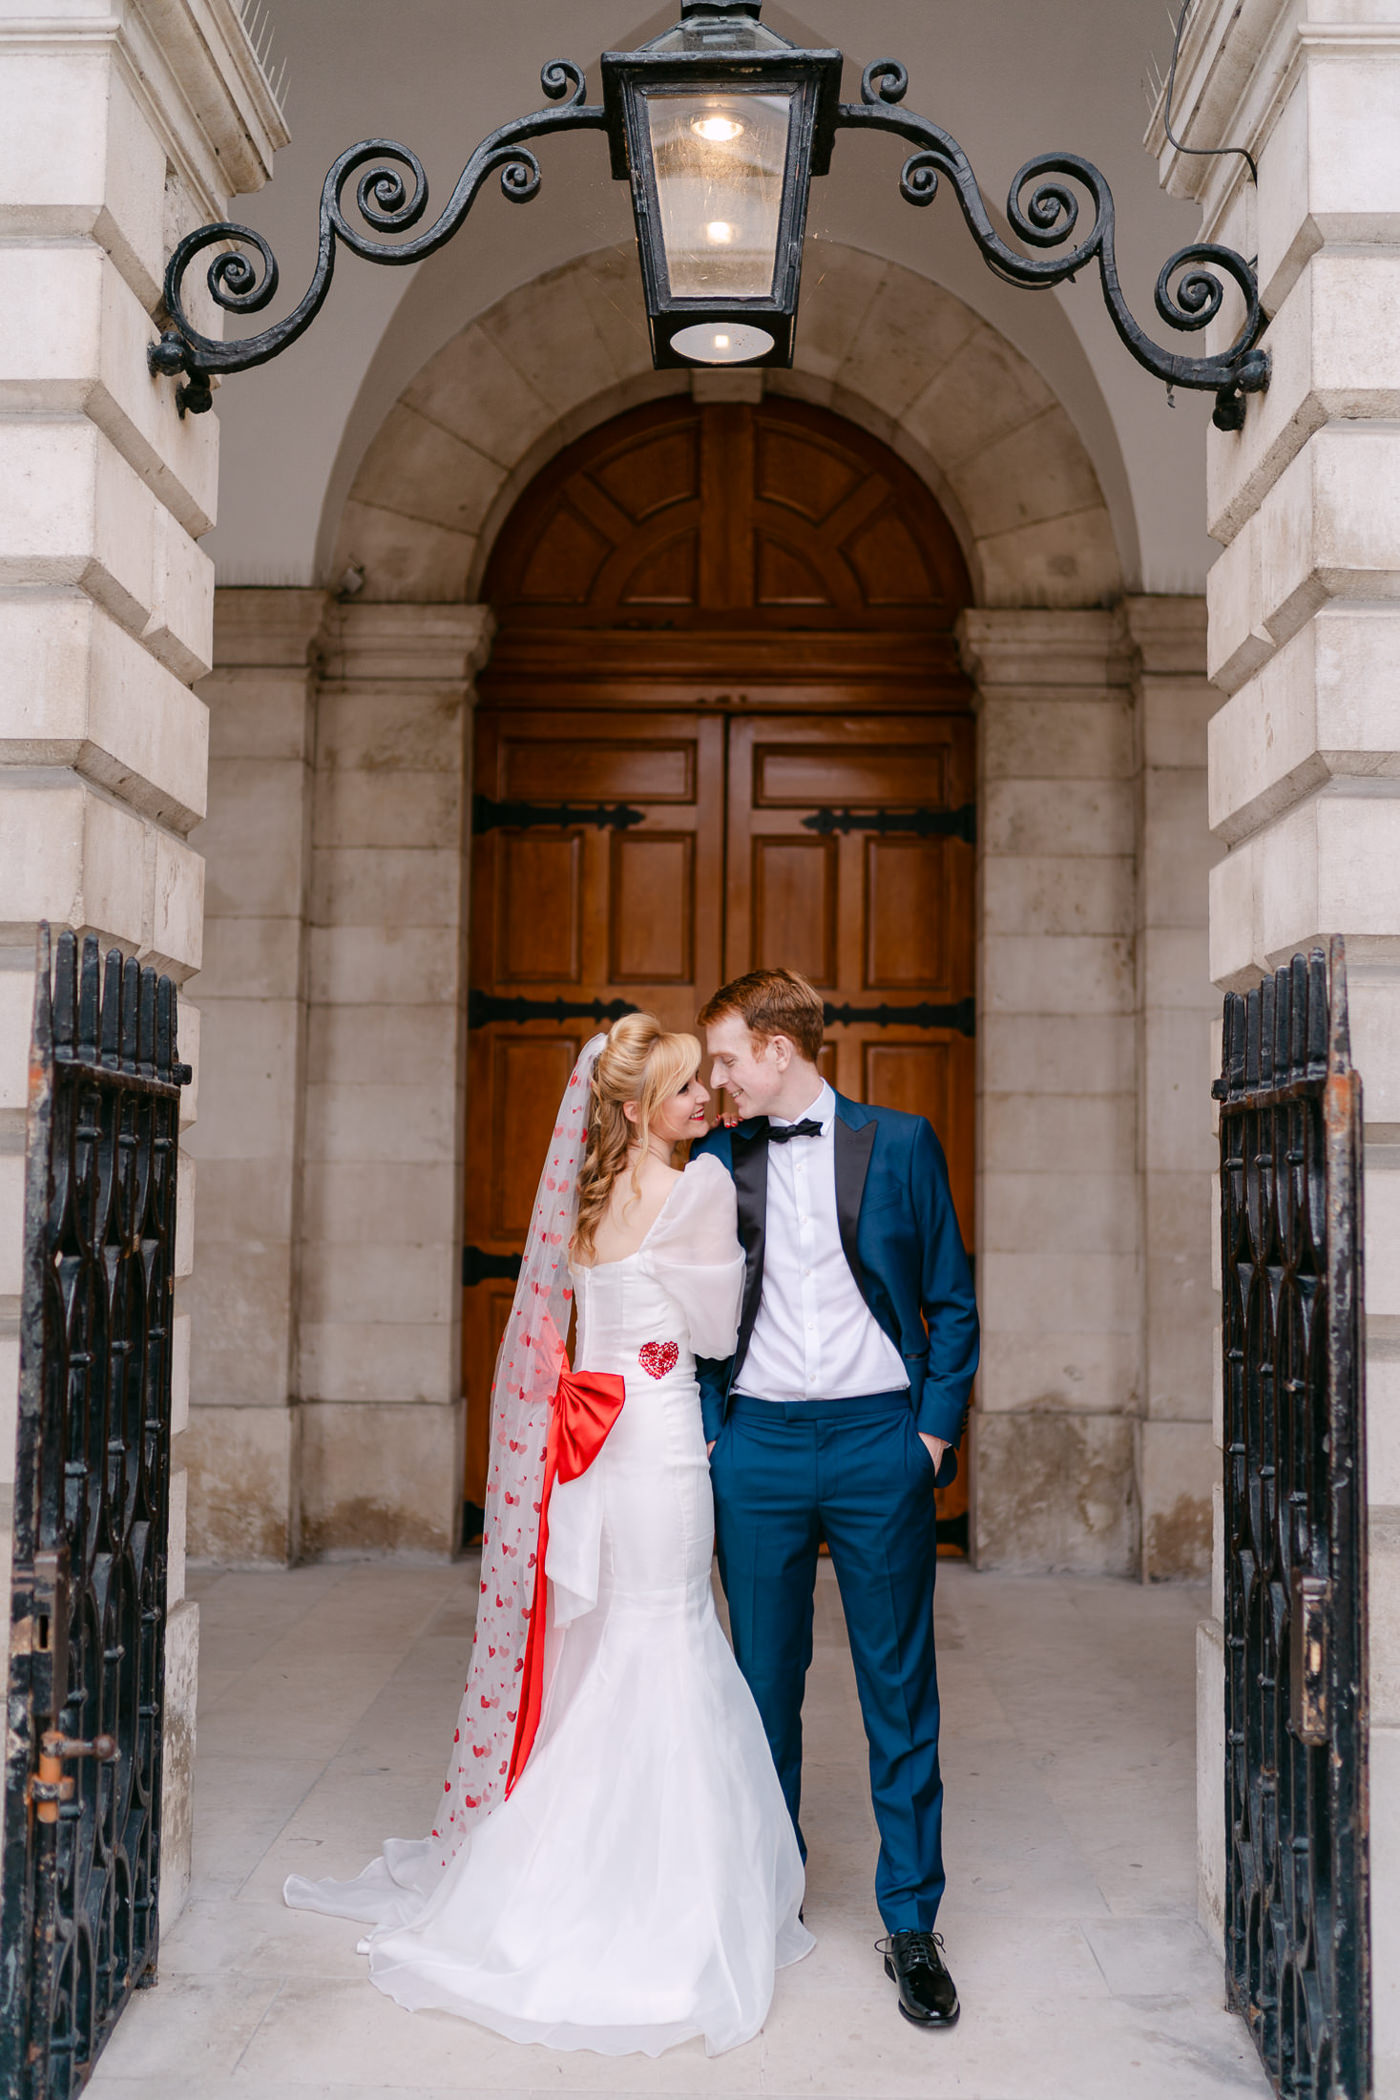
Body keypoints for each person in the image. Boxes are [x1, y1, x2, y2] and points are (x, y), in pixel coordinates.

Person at [283, 1016, 811, 2057]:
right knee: (666, 1636)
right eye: (680, 1090)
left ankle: (550, 1873)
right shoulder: (695, 1187)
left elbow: (571, 1324)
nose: (703, 1100)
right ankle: (653, 1898)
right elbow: (708, 1335)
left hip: (589, 1451)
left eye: (702, 1086)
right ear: (632, 1110)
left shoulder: (581, 1196)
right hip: (653, 1442)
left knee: (611, 1640)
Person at [692, 967, 979, 2030]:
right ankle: (769, 1900)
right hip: (756, 1448)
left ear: (778, 1049)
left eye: (724, 1056)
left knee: (896, 1691)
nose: (713, 1077)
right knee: (759, 1689)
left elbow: (950, 1300)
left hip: (875, 1444)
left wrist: (929, 1438)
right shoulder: (714, 1158)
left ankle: (910, 1922)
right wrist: (714, 1439)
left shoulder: (898, 1144)